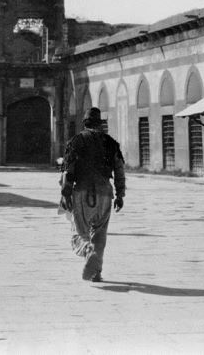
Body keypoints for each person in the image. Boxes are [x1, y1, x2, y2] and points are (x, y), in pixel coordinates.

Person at [60, 107, 126, 282]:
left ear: (85, 124)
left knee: (79, 234)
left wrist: (66, 194)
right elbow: (119, 171)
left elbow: (68, 171)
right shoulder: (111, 143)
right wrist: (120, 195)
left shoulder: (75, 141)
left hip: (82, 192)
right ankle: (96, 272)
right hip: (105, 193)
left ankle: (87, 251)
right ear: (100, 124)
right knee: (100, 235)